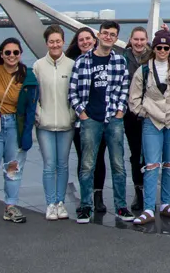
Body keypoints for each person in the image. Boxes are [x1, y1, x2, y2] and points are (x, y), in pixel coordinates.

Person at [68, 20, 134, 224]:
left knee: (118, 165)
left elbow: (125, 88)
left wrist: (121, 111)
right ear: (99, 35)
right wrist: (82, 114)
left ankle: (121, 206)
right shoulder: (82, 61)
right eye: (105, 33)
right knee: (87, 165)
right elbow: (72, 91)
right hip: (91, 120)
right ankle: (86, 206)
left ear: (116, 38)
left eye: (112, 34)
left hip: (113, 119)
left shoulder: (119, 61)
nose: (108, 37)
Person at [128, 29, 170, 224]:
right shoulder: (143, 70)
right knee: (151, 165)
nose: (163, 50)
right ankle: (149, 208)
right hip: (152, 121)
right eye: (159, 47)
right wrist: (144, 112)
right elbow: (133, 98)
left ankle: (165, 203)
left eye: (166, 47)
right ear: (154, 48)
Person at [0, 37, 39, 226]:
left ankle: (10, 206)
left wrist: (27, 134)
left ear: (20, 54)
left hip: (14, 125)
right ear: (1, 54)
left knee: (13, 168)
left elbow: (30, 107)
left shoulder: (28, 76)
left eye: (15, 52)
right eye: (8, 52)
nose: (12, 56)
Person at [33, 25, 75, 221]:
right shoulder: (38, 66)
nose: (55, 45)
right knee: (49, 165)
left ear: (63, 42)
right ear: (47, 43)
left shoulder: (72, 65)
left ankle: (60, 203)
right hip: (45, 125)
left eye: (58, 41)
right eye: (52, 41)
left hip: (66, 124)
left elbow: (76, 94)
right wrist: (38, 114)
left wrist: (72, 114)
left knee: (63, 164)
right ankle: (50, 203)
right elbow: (34, 95)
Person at [67, 27, 110, 213]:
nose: (85, 42)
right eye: (81, 40)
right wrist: (82, 113)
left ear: (95, 39)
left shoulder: (108, 61)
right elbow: (72, 91)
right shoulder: (74, 63)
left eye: (88, 38)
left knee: (99, 158)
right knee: (84, 159)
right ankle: (86, 197)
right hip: (81, 121)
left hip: (103, 119)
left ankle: (98, 196)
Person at [123, 26, 149, 212]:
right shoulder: (123, 59)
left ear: (146, 40)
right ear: (130, 40)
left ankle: (148, 191)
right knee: (135, 154)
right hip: (130, 114)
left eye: (142, 39)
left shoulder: (154, 57)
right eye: (136, 39)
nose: (139, 43)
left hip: (150, 114)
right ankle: (138, 191)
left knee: (150, 154)